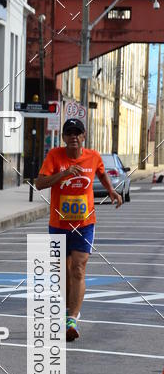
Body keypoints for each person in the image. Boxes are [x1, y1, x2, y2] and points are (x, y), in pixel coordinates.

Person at [35, 118, 122, 341]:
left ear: (83, 136)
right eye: (69, 133)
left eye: (78, 132)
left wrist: (111, 190)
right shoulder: (54, 156)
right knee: (62, 272)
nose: (73, 136)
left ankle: (72, 319)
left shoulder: (93, 156)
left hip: (84, 225)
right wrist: (62, 174)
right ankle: (68, 310)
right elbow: (40, 183)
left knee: (79, 269)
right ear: (64, 138)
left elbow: (101, 172)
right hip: (58, 224)